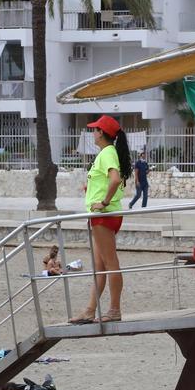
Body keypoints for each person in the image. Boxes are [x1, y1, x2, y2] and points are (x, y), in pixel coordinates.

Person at [70, 115, 131, 324]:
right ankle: (89, 310)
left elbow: (114, 179)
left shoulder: (107, 153)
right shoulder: (109, 153)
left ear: (102, 133)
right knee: (100, 266)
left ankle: (114, 310)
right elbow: (110, 180)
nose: (92, 133)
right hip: (105, 216)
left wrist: (103, 202)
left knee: (110, 263)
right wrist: (93, 191)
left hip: (104, 216)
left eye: (95, 129)